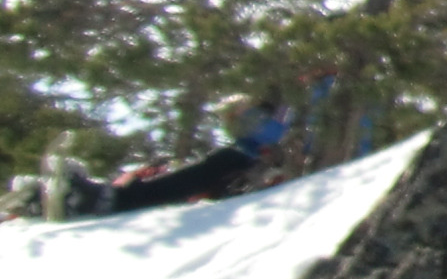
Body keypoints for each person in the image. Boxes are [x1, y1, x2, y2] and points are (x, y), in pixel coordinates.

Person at [47, 96, 290, 216]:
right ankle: (108, 195)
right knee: (195, 173)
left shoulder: (295, 110)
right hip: (248, 159)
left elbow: (279, 134)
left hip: (255, 164)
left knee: (201, 173)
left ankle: (108, 199)